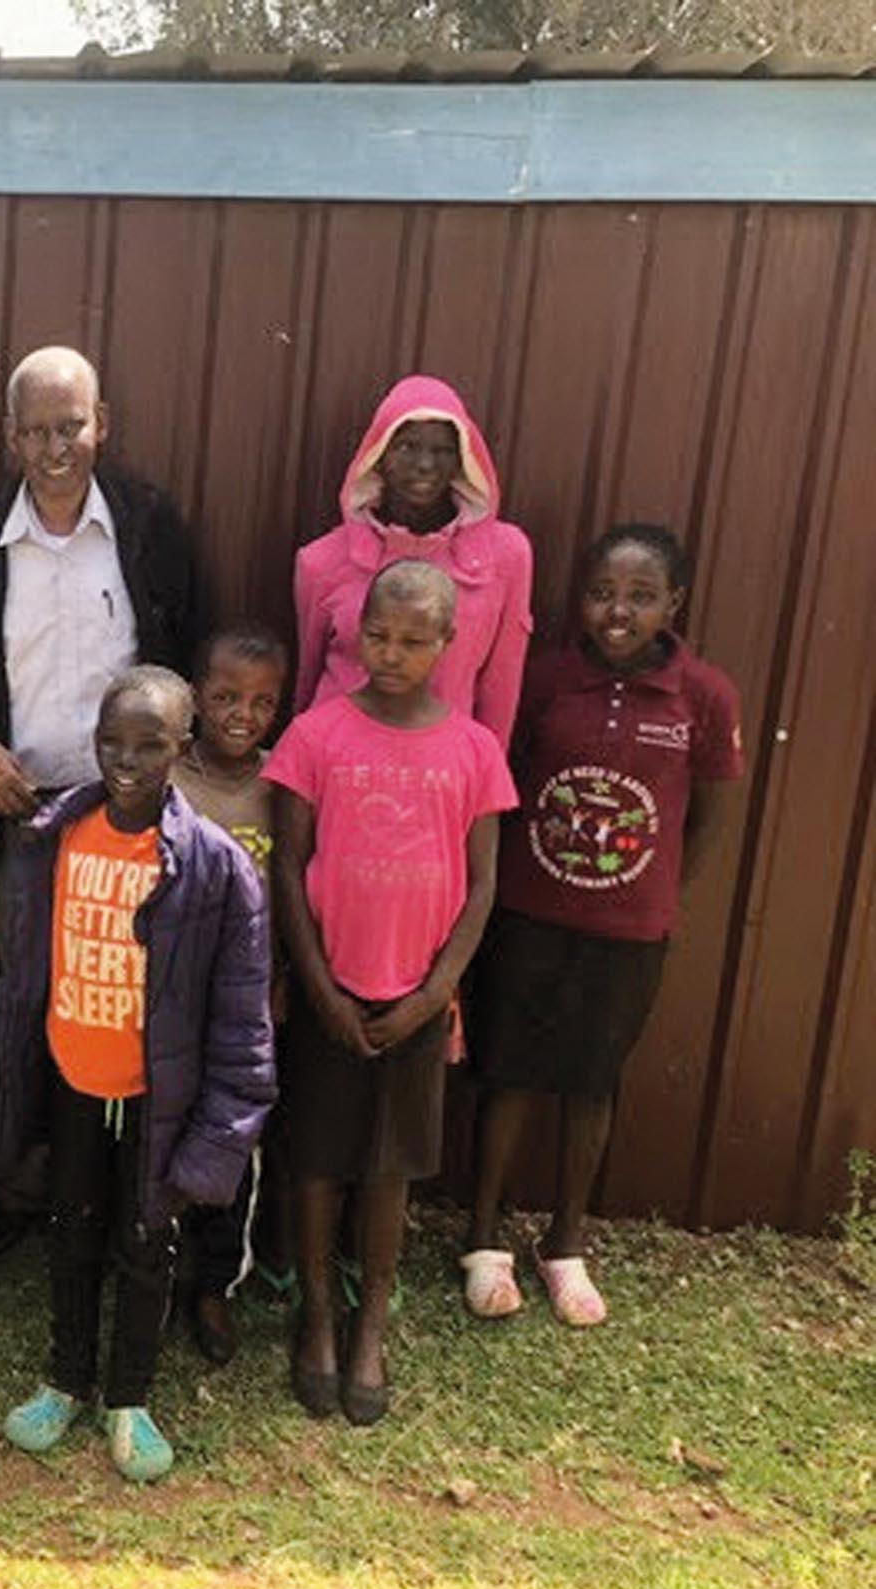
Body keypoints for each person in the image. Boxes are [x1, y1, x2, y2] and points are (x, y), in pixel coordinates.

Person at [0, 667, 274, 1484]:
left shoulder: (216, 868)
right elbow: (25, 967)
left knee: (148, 1243)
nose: (125, 759)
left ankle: (129, 1396)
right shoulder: (55, 837)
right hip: (72, 1082)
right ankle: (66, 1378)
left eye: (149, 744)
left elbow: (241, 1026)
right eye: (110, 740)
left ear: (182, 747)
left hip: (158, 1101)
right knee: (70, 1231)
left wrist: (213, 1145)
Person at [463, 525, 743, 1327]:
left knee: (592, 1081)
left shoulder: (703, 696)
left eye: (640, 596)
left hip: (627, 930)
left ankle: (565, 1243)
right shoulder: (546, 680)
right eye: (600, 593)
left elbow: (707, 818)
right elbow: (502, 784)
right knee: (509, 1071)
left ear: (673, 603)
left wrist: (655, 892)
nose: (617, 611)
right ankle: (483, 1237)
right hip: (528, 916)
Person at [267, 561, 516, 1426]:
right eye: (377, 635)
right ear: (353, 633)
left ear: (448, 643)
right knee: (316, 1161)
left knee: (390, 1171)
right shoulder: (315, 735)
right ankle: (316, 1320)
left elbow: (482, 885)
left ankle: (370, 1321)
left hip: (416, 1000)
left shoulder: (473, 750)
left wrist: (434, 994)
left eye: (413, 640)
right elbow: (288, 870)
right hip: (328, 992)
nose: (391, 653)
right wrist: (317, 987)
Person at [0, 346, 203, 828]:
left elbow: (190, 652)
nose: (55, 449)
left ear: (101, 423)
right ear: (12, 436)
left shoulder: (149, 527)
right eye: (35, 432)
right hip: (18, 812)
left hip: (131, 808)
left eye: (71, 427)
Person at [293, 375, 534, 748]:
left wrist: (484, 773)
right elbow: (307, 680)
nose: (424, 464)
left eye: (443, 450)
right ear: (378, 454)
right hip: (339, 759)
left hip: (443, 765)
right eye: (406, 446)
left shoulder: (505, 556)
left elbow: (502, 684)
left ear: (463, 459)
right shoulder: (322, 561)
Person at [170, 623, 289, 1366]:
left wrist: (282, 981)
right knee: (162, 1140)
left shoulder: (282, 784)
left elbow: (297, 890)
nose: (241, 714)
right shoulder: (169, 779)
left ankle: (214, 1284)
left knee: (233, 1146)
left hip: (247, 1012)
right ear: (195, 697)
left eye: (262, 702)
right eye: (224, 697)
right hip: (170, 1003)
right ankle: (156, 1269)